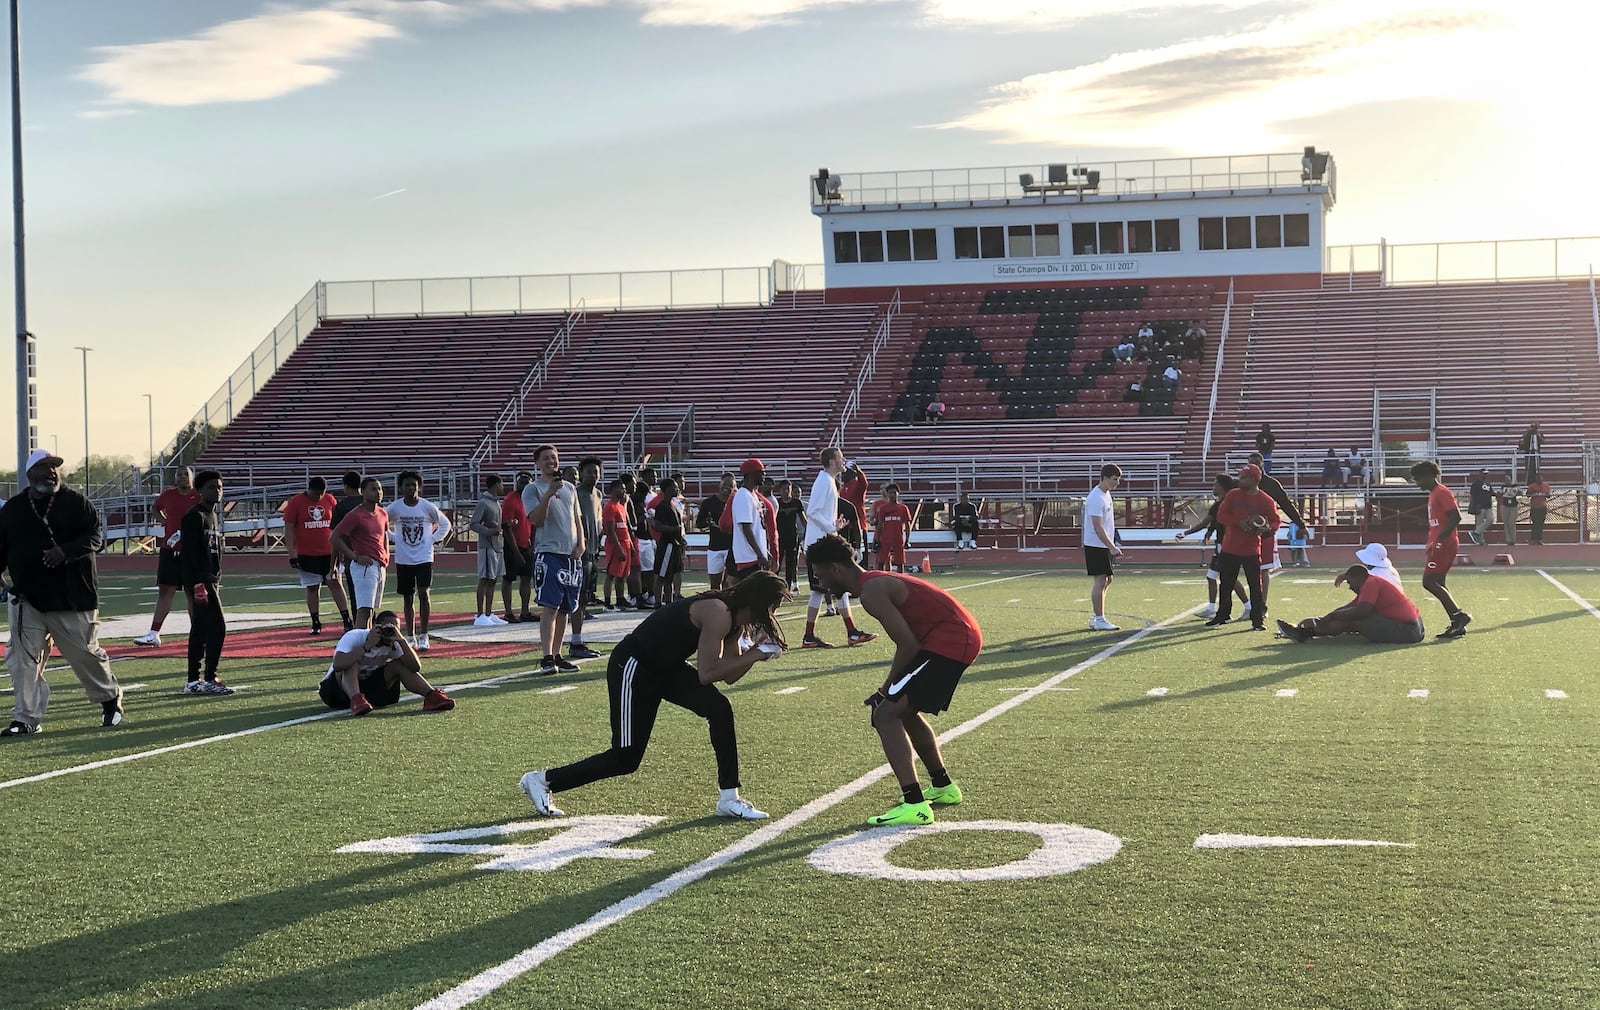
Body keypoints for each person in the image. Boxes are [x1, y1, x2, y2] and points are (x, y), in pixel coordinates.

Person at [517, 572, 789, 821]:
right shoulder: (719, 611)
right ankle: (543, 780)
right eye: (772, 608)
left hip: (666, 667)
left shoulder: (735, 622)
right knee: (625, 758)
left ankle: (729, 798)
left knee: (719, 708)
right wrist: (756, 653)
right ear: (758, 602)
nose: (771, 616)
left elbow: (729, 675)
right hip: (635, 665)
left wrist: (755, 653)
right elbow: (707, 673)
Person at [806, 532, 982, 827]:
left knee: (885, 713)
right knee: (902, 710)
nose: (820, 584)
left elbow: (908, 645)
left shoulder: (872, 591)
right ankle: (942, 786)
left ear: (836, 568)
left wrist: (884, 690)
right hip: (950, 637)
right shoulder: (871, 584)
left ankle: (914, 804)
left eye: (820, 575)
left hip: (951, 640)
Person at [0, 449, 125, 736]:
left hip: (72, 596)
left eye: (54, 467)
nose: (51, 472)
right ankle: (26, 718)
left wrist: (64, 552)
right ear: (30, 475)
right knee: (22, 660)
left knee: (84, 655)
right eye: (44, 468)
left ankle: (109, 697)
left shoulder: (76, 503)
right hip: (28, 598)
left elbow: (95, 536)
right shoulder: (14, 509)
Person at [318, 609, 455, 716]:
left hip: (368, 690)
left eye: (395, 629)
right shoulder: (355, 636)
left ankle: (432, 696)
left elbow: (415, 667)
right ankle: (356, 699)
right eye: (388, 628)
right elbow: (338, 665)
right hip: (336, 691)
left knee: (398, 665)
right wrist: (367, 646)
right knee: (351, 662)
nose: (390, 632)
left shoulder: (393, 643)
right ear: (376, 627)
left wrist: (401, 640)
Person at [801, 447, 873, 648]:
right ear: (832, 462)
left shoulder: (829, 481)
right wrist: (831, 527)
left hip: (825, 542)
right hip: (820, 545)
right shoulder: (824, 481)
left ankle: (849, 632)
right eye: (841, 458)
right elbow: (813, 512)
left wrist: (835, 526)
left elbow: (819, 512)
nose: (844, 461)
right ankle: (817, 635)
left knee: (836, 587)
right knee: (823, 589)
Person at [525, 444, 585, 675]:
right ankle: (547, 657)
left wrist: (581, 543)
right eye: (546, 458)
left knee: (565, 608)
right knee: (550, 606)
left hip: (570, 556)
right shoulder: (532, 489)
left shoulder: (570, 487)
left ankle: (558, 655)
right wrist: (549, 493)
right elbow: (536, 520)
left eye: (554, 457)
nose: (552, 461)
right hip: (549, 552)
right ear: (537, 463)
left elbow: (576, 519)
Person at [1207, 464, 1279, 631]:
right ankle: (1223, 615)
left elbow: (1275, 520)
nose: (1240, 479)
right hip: (1230, 547)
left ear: (1254, 479)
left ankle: (1257, 619)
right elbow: (1222, 515)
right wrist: (1239, 523)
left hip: (1251, 549)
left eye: (1244, 477)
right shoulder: (1233, 495)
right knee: (1226, 584)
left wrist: (1267, 529)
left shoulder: (1265, 500)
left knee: (1255, 586)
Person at [133, 466, 199, 647]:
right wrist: (165, 521)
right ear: (175, 478)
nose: (183, 477)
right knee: (165, 592)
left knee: (192, 593)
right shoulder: (168, 495)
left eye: (186, 474)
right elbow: (154, 507)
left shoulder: (198, 495)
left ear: (192, 477)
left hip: (192, 551)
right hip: (170, 549)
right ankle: (154, 633)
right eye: (179, 475)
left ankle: (197, 633)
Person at [180, 470, 233, 694]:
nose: (217, 491)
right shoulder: (195, 516)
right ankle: (209, 678)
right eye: (211, 487)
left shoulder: (212, 516)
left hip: (211, 578)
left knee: (200, 629)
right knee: (217, 628)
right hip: (201, 581)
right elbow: (189, 554)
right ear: (200, 490)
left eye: (219, 487)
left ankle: (193, 681)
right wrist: (197, 583)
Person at [1276, 565, 1425, 645]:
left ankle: (1305, 634)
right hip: (1412, 627)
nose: (1349, 586)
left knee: (1355, 619)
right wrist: (1324, 618)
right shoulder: (1370, 583)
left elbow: (1361, 612)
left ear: (1358, 578)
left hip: (1409, 631)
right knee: (1348, 616)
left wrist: (1331, 617)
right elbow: (1348, 608)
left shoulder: (1370, 583)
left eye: (1350, 582)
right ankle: (1307, 631)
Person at [281, 475, 353, 636]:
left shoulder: (330, 500)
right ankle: (315, 621)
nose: (319, 497)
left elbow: (338, 526)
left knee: (335, 583)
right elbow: (289, 528)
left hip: (330, 552)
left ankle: (346, 619)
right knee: (312, 587)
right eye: (316, 493)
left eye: (322, 493)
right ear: (309, 490)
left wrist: (341, 549)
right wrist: (292, 553)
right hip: (307, 553)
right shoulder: (296, 502)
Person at [1409, 461, 1472, 640]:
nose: (1417, 483)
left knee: (1428, 582)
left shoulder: (1442, 492)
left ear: (1429, 475)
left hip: (1443, 545)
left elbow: (1456, 517)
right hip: (1439, 543)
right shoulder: (1434, 494)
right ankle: (1456, 623)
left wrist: (1440, 540)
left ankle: (1459, 616)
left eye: (1419, 479)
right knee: (1440, 583)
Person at [384, 470, 447, 650]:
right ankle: (410, 636)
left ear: (419, 487)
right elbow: (380, 524)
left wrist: (433, 539)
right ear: (401, 487)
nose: (411, 488)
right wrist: (393, 537)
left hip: (423, 557)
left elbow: (445, 523)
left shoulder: (427, 506)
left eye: (414, 485)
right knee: (407, 597)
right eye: (407, 485)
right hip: (404, 559)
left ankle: (424, 635)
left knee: (423, 593)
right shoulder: (395, 508)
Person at [1175, 472, 1250, 619]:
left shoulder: (1222, 504)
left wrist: (1185, 533)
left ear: (1222, 487)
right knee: (1214, 576)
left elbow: (1205, 523)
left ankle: (1247, 607)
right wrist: (1210, 531)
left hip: (1225, 545)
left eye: (1215, 484)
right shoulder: (1228, 502)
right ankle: (1213, 608)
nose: (1213, 487)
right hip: (1225, 544)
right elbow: (1217, 522)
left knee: (1227, 578)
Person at [1246, 451, 1305, 613]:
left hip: (1265, 533)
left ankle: (1261, 605)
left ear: (1262, 464)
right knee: (1244, 570)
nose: (1253, 466)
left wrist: (1300, 523)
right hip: (1245, 533)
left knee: (1264, 569)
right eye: (1250, 463)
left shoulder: (1271, 485)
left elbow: (1286, 505)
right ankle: (1247, 605)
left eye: (1256, 463)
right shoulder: (1242, 484)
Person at [331, 476, 390, 630]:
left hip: (379, 565)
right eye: (373, 489)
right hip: (364, 566)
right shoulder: (355, 514)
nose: (378, 492)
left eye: (380, 489)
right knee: (363, 611)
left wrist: (386, 555)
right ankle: (359, 646)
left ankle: (367, 644)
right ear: (362, 491)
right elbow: (335, 537)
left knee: (371, 611)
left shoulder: (383, 513)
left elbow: (384, 535)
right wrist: (355, 556)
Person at [568, 457, 604, 660]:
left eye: (596, 472)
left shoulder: (598, 494)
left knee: (584, 599)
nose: (594, 475)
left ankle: (578, 640)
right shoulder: (575, 493)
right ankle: (575, 642)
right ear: (581, 473)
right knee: (576, 598)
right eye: (590, 471)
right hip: (578, 553)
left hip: (592, 553)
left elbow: (597, 523)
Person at [1082, 464, 1124, 631]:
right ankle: (1099, 619)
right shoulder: (1096, 497)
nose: (1117, 483)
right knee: (1100, 580)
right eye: (1115, 479)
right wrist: (1111, 546)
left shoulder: (1106, 495)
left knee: (1107, 579)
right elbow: (1097, 527)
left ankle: (1096, 616)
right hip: (1096, 545)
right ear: (1105, 477)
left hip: (1103, 545)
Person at [469, 474, 508, 627]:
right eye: (501, 484)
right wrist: (489, 531)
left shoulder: (496, 503)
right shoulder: (484, 503)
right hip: (487, 546)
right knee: (484, 579)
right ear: (496, 484)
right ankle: (479, 614)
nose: (502, 487)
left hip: (498, 545)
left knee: (493, 580)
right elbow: (473, 524)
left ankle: (488, 613)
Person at [730, 457, 772, 583]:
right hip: (749, 557)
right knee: (752, 598)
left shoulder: (752, 495)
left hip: (755, 555)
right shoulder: (743, 496)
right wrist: (759, 553)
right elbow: (746, 528)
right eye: (761, 472)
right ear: (751, 474)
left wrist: (764, 551)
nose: (764, 475)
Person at [330, 470, 365, 616]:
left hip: (352, 555)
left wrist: (333, 564)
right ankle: (372, 623)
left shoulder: (342, 507)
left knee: (355, 593)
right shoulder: (371, 503)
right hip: (373, 555)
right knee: (370, 595)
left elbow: (335, 538)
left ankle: (359, 625)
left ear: (345, 486)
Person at [650, 477, 689, 608]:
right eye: (674, 487)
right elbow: (657, 525)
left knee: (670, 576)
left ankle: (669, 602)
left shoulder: (673, 505)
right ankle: (657, 602)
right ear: (667, 489)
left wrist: (681, 540)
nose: (677, 488)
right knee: (662, 575)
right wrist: (675, 529)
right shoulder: (662, 506)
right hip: (667, 545)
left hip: (675, 545)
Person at [498, 470, 531, 623]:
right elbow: (507, 527)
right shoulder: (511, 499)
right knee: (509, 578)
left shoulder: (530, 499)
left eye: (527, 482)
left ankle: (525, 611)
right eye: (521, 482)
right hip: (512, 546)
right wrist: (516, 552)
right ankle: (508, 612)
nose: (524, 485)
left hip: (527, 544)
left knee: (526, 578)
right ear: (517, 483)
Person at [696, 473, 736, 592]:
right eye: (725, 484)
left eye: (731, 485)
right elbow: (699, 523)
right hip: (715, 547)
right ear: (720, 484)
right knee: (714, 584)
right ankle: (716, 606)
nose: (727, 487)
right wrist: (709, 523)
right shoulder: (709, 502)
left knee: (730, 584)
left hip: (732, 547)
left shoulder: (737, 502)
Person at [601, 478, 636, 610]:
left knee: (623, 575)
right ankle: (607, 602)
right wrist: (618, 548)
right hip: (616, 544)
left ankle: (620, 599)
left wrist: (631, 546)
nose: (624, 491)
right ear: (613, 490)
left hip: (625, 543)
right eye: (621, 488)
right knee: (611, 574)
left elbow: (625, 528)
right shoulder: (609, 507)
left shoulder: (621, 506)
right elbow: (610, 530)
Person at [873, 482, 913, 573]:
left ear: (898, 493)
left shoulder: (903, 508)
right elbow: (880, 525)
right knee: (881, 561)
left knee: (900, 562)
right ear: (887, 494)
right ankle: (881, 578)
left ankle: (901, 580)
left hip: (898, 538)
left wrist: (907, 539)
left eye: (894, 492)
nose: (892, 495)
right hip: (885, 538)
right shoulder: (883, 508)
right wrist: (877, 539)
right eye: (890, 493)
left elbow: (907, 525)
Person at [775, 479, 805, 592]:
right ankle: (775, 586)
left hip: (792, 536)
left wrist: (809, 531)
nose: (786, 491)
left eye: (788, 488)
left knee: (791, 563)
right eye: (784, 489)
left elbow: (803, 519)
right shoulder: (777, 503)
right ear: (780, 490)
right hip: (779, 537)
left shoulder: (796, 503)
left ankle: (787, 587)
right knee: (777, 562)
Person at [839, 460, 870, 564]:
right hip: (845, 527)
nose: (843, 473)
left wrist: (859, 471)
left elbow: (864, 483)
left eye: (845, 471)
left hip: (858, 526)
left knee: (860, 557)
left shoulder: (857, 484)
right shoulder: (842, 488)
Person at [1467, 468, 1494, 546]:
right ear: (1480, 474)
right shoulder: (1476, 483)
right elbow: (1472, 495)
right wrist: (1472, 505)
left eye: (1486, 473)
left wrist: (1497, 494)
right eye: (1484, 473)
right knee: (1479, 523)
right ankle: (1481, 541)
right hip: (1479, 505)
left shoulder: (1488, 483)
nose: (1485, 475)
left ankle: (1475, 532)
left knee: (1490, 519)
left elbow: (1491, 493)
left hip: (1488, 505)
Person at [1527, 471, 1551, 546]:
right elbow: (1527, 494)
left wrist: (1547, 494)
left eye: (1540, 478)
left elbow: (1549, 495)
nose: (1539, 480)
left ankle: (1539, 539)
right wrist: (1532, 493)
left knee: (1540, 524)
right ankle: (1533, 539)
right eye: (1537, 478)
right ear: (1536, 479)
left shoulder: (1546, 486)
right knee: (1535, 524)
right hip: (1534, 507)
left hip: (1542, 507)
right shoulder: (1532, 486)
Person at [1498, 480, 1522, 547]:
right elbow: (1499, 493)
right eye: (1506, 479)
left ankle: (1513, 539)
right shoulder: (1503, 487)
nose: (1507, 481)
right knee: (1506, 523)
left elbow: (1521, 493)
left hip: (1513, 506)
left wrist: (1518, 492)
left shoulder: (1516, 486)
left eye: (1508, 479)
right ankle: (1508, 540)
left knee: (1511, 522)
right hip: (1505, 506)